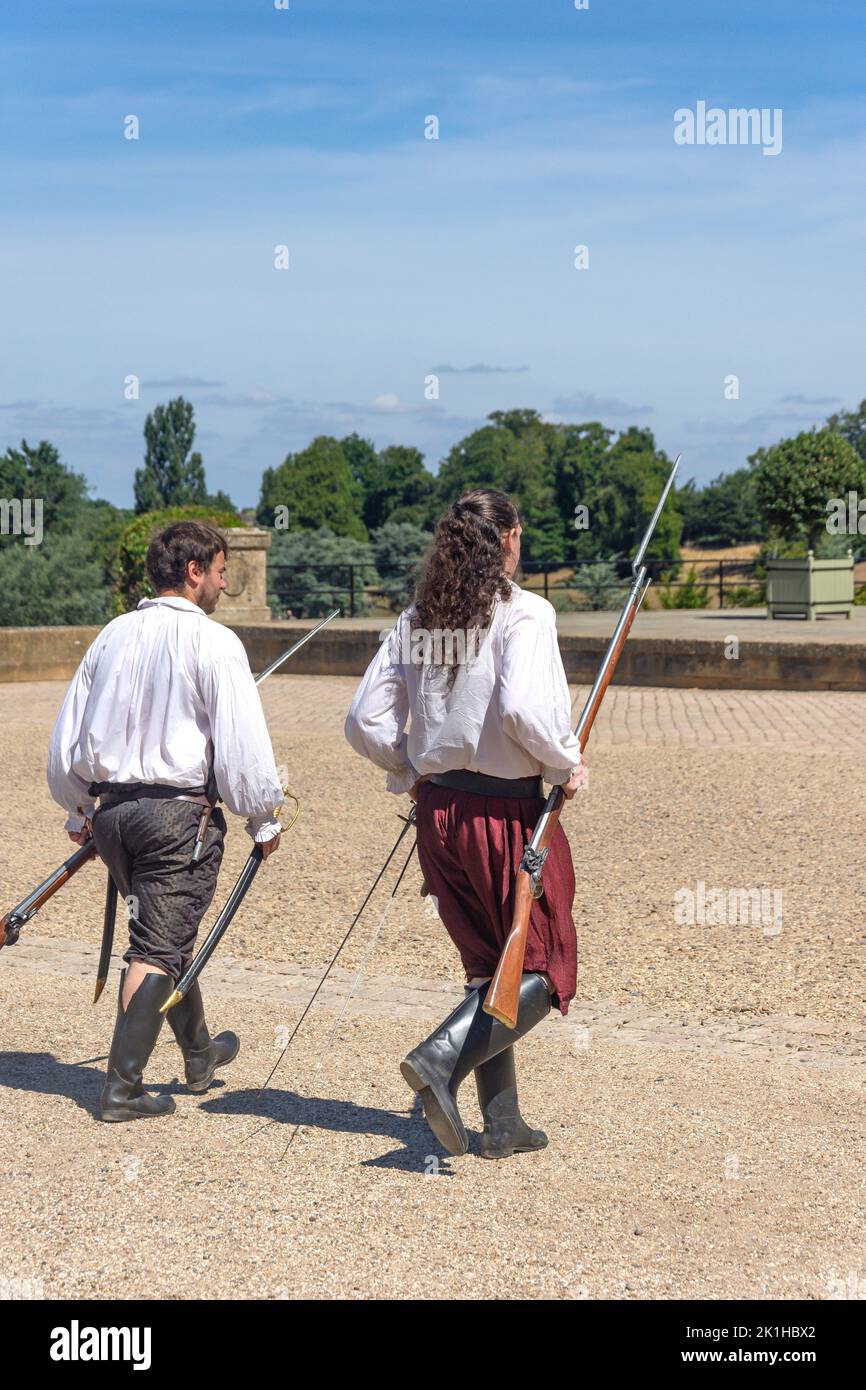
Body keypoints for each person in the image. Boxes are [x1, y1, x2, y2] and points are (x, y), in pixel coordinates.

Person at [345, 489, 587, 1159]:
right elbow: (526, 711)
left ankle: (502, 1125)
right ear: (508, 537)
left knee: (492, 963)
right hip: (503, 812)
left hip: (437, 812)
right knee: (546, 961)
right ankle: (438, 1060)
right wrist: (567, 762)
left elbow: (363, 721)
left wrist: (414, 764)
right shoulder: (525, 613)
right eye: (519, 530)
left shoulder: (419, 618)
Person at [47, 521, 284, 1122]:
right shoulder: (215, 643)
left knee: (165, 928)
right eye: (221, 572)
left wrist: (79, 806)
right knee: (155, 947)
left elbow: (69, 732)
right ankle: (121, 1089)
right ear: (195, 571)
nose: (225, 585)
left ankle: (199, 1054)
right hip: (177, 818)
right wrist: (263, 813)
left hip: (114, 815)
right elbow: (241, 742)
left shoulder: (111, 635)